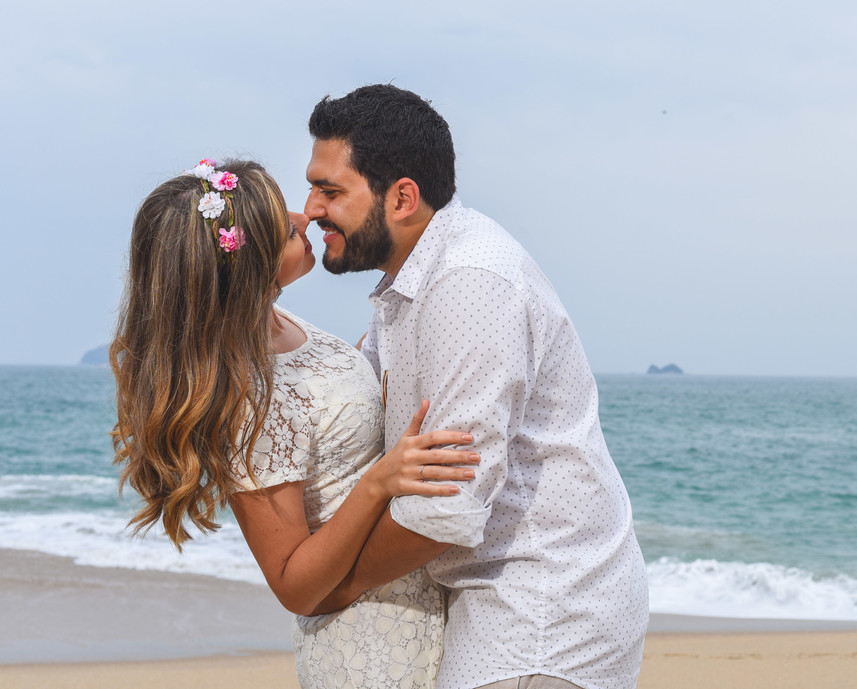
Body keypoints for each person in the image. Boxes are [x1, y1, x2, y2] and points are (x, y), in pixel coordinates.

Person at [302, 85, 649, 689]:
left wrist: (339, 587)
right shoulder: (407, 283)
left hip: (542, 607)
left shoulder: (468, 283)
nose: (309, 208)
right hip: (499, 597)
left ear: (402, 197)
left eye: (330, 191)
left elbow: (447, 506)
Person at [110, 159, 480, 689]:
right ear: (248, 264)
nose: (304, 217)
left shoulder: (279, 322)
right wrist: (378, 483)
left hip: (417, 606)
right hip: (368, 647)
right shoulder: (248, 397)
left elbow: (335, 405)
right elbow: (293, 586)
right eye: (284, 229)